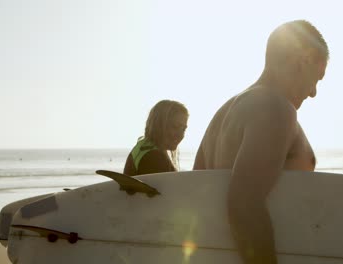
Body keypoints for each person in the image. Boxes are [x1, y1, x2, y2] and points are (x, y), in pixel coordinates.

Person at [193, 20, 329, 264]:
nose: (313, 92)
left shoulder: (222, 115)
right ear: (304, 61)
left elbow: (196, 199)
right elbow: (244, 205)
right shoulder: (275, 108)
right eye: (318, 78)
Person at [124, 100, 188, 176]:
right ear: (158, 125)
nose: (180, 135)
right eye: (175, 127)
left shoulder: (142, 148)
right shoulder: (155, 157)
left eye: (183, 129)